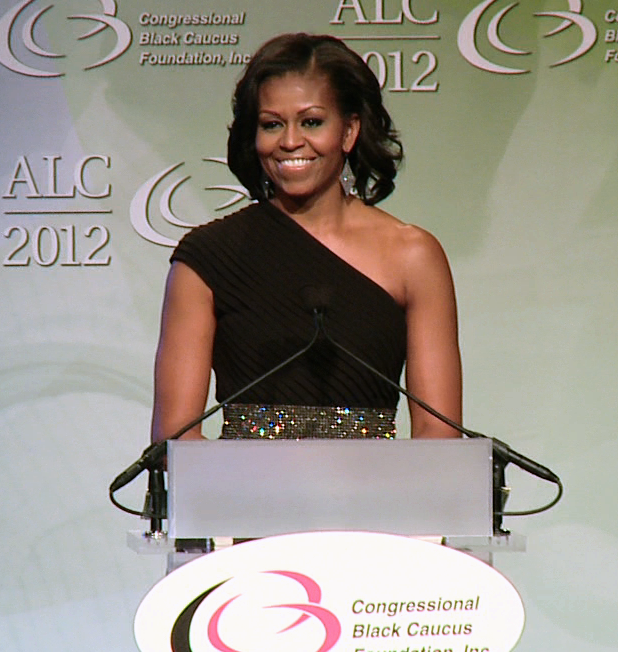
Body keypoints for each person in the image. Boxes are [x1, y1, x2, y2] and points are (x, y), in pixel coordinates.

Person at [151, 32, 461, 442]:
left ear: (349, 132)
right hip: (243, 502)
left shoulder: (413, 256)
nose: (290, 141)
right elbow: (175, 438)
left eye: (312, 122)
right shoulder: (207, 260)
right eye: (271, 125)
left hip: (376, 500)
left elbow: (438, 435)